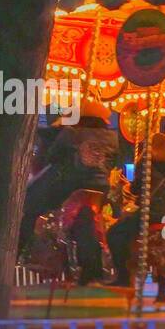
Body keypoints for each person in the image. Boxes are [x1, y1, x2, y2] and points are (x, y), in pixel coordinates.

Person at [19, 99, 118, 280]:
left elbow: (52, 156)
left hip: (70, 188)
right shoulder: (113, 139)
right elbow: (112, 163)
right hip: (98, 192)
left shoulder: (71, 133)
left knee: (30, 205)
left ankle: (23, 248)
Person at [106, 133, 165, 285]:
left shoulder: (147, 161)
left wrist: (128, 186)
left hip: (151, 213)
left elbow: (137, 189)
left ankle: (123, 276)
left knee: (114, 233)